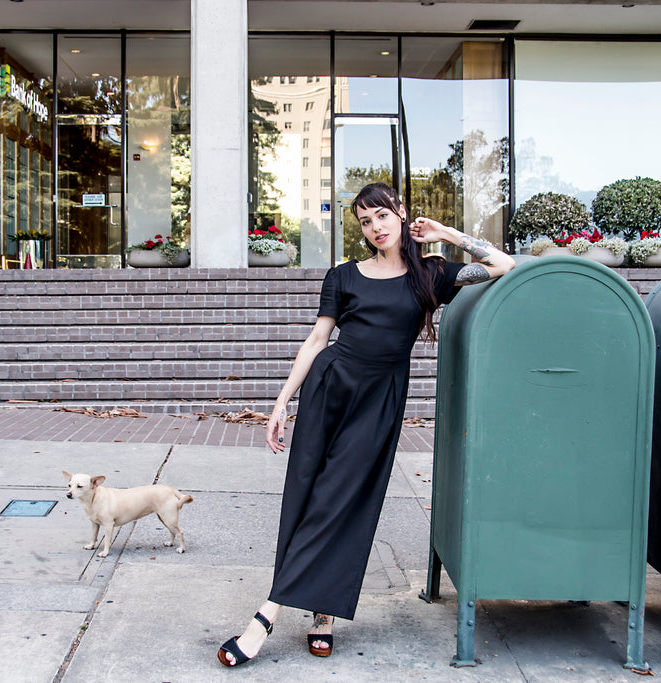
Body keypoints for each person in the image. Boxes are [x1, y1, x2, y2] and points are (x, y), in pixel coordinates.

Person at [217, 182, 515, 667]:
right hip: (329, 390)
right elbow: (317, 340)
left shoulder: (434, 275)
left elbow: (505, 265)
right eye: (364, 221)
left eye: (381, 215)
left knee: (341, 502)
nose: (375, 228)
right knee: (308, 496)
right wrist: (280, 403)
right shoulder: (343, 276)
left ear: (401, 213)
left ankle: (265, 616)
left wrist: (442, 232)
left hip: (378, 402)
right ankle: (322, 614)